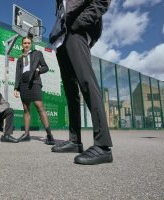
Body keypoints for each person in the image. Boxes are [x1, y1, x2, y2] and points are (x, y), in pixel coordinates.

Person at [50, 0, 113, 165]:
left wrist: (80, 22)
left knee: (87, 83)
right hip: (62, 38)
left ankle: (103, 145)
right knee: (71, 94)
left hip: (77, 30)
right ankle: (74, 140)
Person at [14, 36, 55, 145]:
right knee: (26, 109)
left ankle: (49, 135)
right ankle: (26, 134)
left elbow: (45, 67)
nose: (26, 45)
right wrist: (16, 88)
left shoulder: (37, 53)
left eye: (28, 43)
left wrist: (38, 70)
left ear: (31, 44)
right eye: (24, 43)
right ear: (22, 44)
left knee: (39, 106)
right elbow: (18, 74)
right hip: (23, 84)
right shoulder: (19, 58)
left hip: (35, 82)